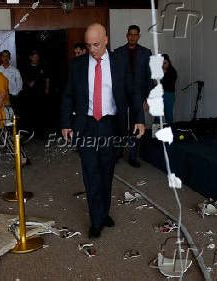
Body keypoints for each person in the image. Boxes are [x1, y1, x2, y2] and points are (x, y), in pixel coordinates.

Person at [61, 23, 145, 238]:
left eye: (96, 45)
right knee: (91, 172)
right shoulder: (78, 64)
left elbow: (133, 92)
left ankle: (103, 212)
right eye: (89, 45)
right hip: (86, 125)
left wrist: (139, 119)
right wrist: (66, 124)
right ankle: (96, 219)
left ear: (106, 40)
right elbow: (68, 95)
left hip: (110, 125)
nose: (92, 50)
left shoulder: (120, 62)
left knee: (107, 171)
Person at [114, 25, 152, 168]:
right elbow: (114, 76)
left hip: (138, 94)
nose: (132, 37)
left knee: (137, 125)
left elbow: (149, 77)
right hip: (121, 94)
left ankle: (133, 156)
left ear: (139, 36)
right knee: (120, 123)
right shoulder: (118, 53)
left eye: (135, 35)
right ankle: (117, 152)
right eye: (130, 34)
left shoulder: (146, 53)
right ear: (127, 35)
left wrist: (147, 98)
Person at [21, 50, 50, 138]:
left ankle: (40, 133)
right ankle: (30, 133)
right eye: (34, 57)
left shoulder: (42, 67)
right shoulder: (26, 67)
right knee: (30, 113)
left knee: (40, 112)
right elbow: (23, 78)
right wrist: (28, 83)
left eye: (37, 57)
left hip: (40, 93)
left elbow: (47, 78)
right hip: (29, 94)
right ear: (30, 57)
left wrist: (47, 88)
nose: (36, 58)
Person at [0, 50, 23, 114]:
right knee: (3, 115)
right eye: (3, 56)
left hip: (12, 97)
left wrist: (15, 93)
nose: (5, 58)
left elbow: (20, 84)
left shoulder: (15, 70)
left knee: (13, 116)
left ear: (10, 57)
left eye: (7, 56)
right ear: (1, 58)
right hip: (1, 97)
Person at [161, 54, 177, 123]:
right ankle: (155, 133)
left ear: (168, 62)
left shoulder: (172, 72)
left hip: (169, 95)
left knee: (168, 115)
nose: (163, 65)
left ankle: (169, 132)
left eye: (165, 63)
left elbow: (167, 83)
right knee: (157, 116)